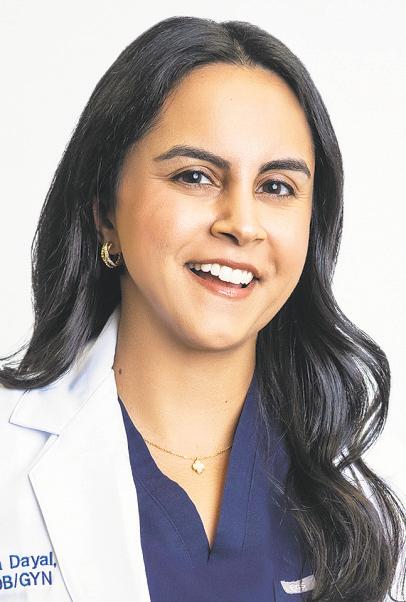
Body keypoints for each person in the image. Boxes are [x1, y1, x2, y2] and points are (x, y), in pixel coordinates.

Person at [0, 15, 404, 602]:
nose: (242, 224)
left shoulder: (361, 494)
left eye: (276, 186)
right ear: (105, 210)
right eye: (195, 176)